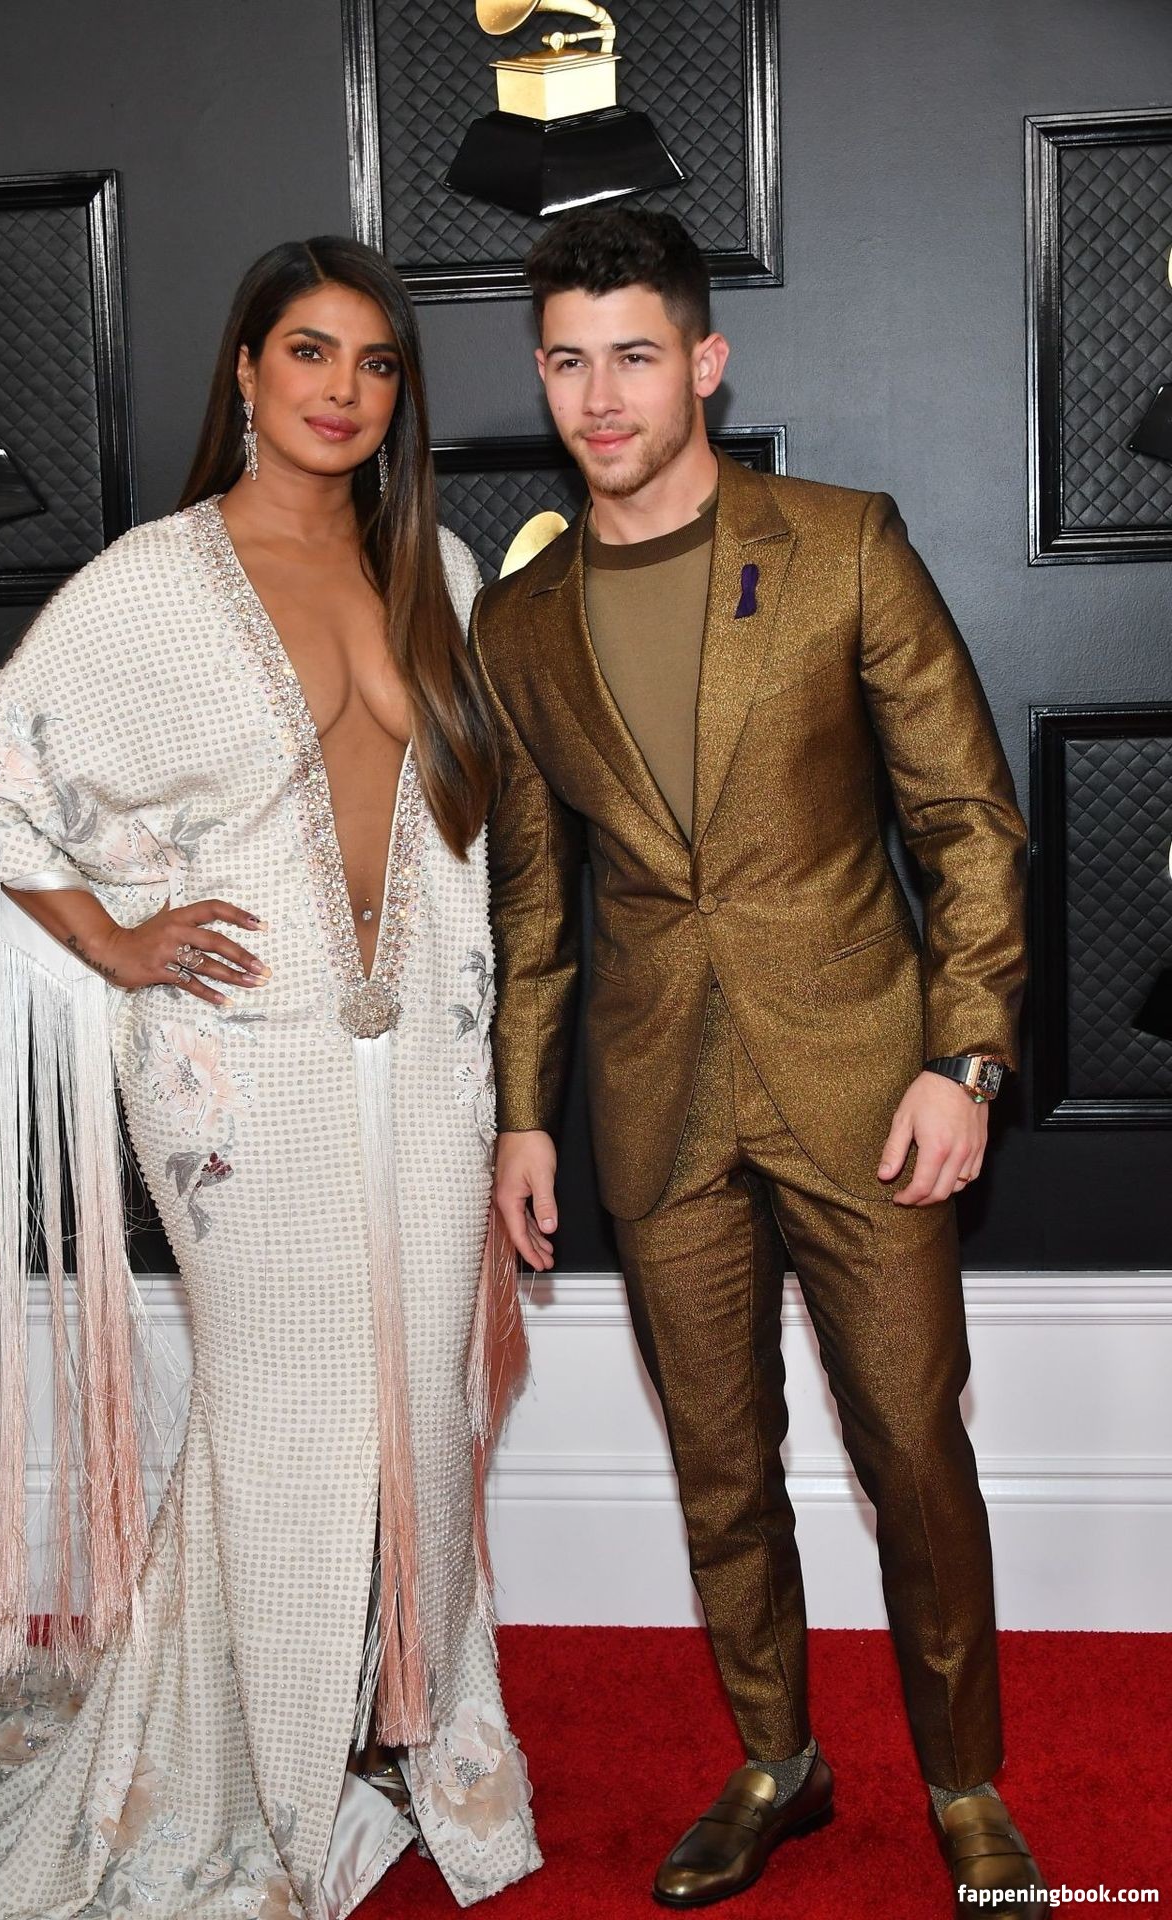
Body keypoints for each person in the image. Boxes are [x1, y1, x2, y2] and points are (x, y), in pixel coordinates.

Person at [0, 235, 539, 1918]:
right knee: (286, 1412)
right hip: (237, 1071)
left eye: (377, 363)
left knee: (423, 1407)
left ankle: (404, 1731)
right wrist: (116, 943)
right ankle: (253, 1776)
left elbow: (482, 839)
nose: (343, 390)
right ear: (246, 371)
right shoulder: (156, 582)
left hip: (429, 1064)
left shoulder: (439, 569)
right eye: (309, 351)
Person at [473, 204, 1044, 1916]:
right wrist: (521, 1114)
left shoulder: (843, 545)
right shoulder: (519, 627)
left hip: (869, 1083)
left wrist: (967, 1055)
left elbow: (968, 823)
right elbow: (535, 900)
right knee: (719, 1467)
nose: (601, 396)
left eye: (634, 356)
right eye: (568, 362)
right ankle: (777, 1760)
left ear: (705, 362)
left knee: (911, 1452)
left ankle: (965, 1783)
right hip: (655, 1100)